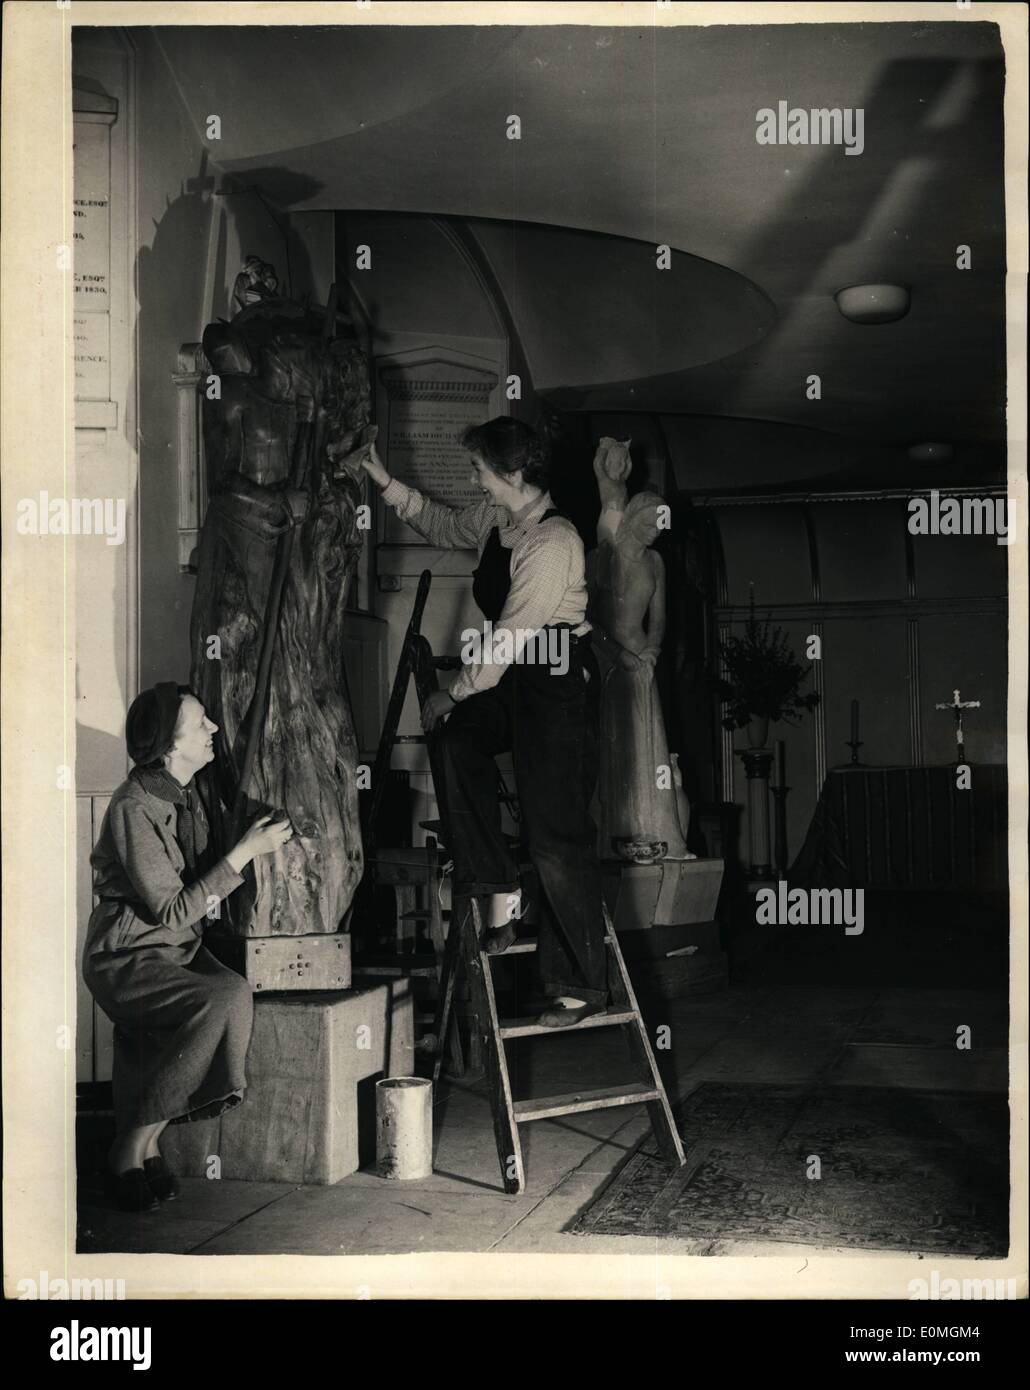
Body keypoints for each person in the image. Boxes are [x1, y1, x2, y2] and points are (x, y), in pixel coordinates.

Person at [361, 417, 608, 1027]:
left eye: (479, 467)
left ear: (515, 474)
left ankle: (579, 985)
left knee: (555, 836)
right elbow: (443, 524)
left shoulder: (554, 542)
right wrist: (382, 480)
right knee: (457, 739)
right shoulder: (499, 520)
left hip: (555, 678)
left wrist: (456, 690)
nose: (473, 476)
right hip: (518, 676)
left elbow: (513, 634)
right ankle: (493, 877)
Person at [82, 683, 292, 1211]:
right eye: (201, 724)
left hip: (175, 948)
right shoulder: (134, 805)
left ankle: (147, 1143)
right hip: (128, 955)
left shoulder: (183, 790)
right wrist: (245, 852)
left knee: (233, 992)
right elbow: (173, 909)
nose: (214, 729)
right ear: (170, 746)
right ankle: (128, 1147)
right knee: (213, 1001)